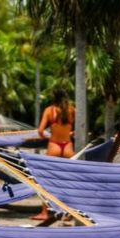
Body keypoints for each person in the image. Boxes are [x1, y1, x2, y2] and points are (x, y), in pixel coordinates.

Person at [32, 88, 76, 220]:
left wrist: (45, 136)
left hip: (54, 146)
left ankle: (44, 212)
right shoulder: (71, 110)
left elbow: (40, 130)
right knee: (69, 181)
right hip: (68, 147)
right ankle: (69, 213)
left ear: (54, 97)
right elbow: (76, 128)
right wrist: (69, 133)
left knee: (46, 180)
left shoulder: (49, 110)